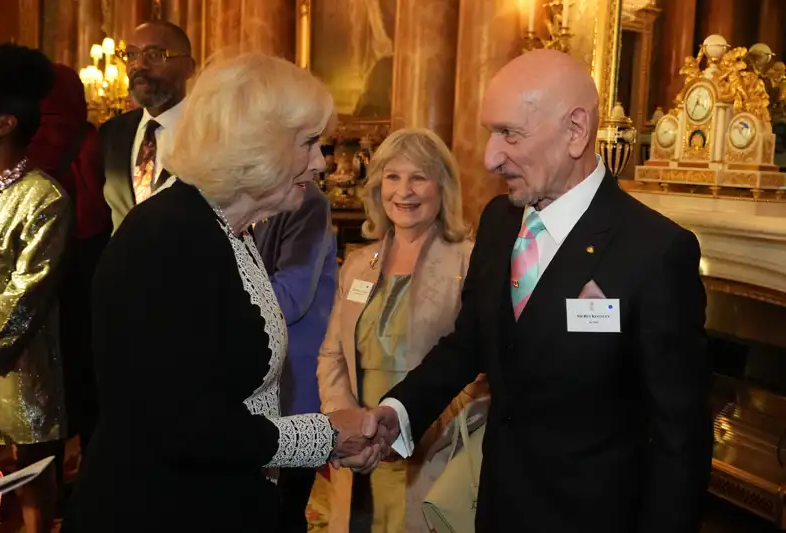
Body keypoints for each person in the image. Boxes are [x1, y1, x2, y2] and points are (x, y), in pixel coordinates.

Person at [364, 50, 713, 533]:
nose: (490, 157)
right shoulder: (499, 220)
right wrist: (397, 412)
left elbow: (681, 436)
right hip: (498, 507)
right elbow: (470, 342)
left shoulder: (654, 251)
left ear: (575, 130)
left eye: (510, 134)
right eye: (490, 132)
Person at [62, 52, 380, 533]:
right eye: (310, 144)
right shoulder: (165, 238)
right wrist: (321, 436)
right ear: (257, 145)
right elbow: (180, 426)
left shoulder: (228, 229)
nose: (321, 162)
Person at [317, 128, 489, 533]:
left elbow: (477, 368)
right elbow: (332, 356)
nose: (404, 191)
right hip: (359, 456)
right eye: (393, 177)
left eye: (419, 177)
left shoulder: (469, 262)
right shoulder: (358, 263)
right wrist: (348, 426)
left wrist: (409, 427)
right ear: (377, 187)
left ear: (442, 187)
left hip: (433, 456)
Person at [0, 44, 72, 533]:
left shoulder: (43, 198)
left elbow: (23, 301)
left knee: (25, 502)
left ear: (4, 124)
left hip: (17, 385)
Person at [27, 62, 112, 454]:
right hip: (87, 270)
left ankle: (42, 490)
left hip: (36, 276)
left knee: (41, 386)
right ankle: (91, 485)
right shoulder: (91, 139)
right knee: (87, 379)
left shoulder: (21, 140)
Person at [251, 181, 338, 533]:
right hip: (259, 381)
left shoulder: (307, 200)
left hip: (294, 382)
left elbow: (290, 297)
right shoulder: (241, 195)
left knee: (285, 509)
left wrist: (213, 289)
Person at [101, 20, 195, 232]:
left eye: (154, 55)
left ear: (188, 68)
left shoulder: (210, 131)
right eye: (132, 55)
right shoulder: (111, 133)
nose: (139, 65)